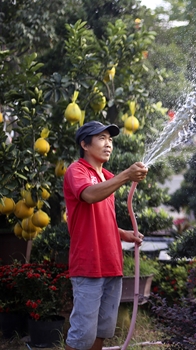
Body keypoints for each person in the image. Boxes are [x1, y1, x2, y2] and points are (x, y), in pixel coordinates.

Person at [63, 121, 148, 350]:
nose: (108, 144)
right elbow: (89, 196)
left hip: (112, 264)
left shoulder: (107, 177)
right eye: (101, 138)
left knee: (101, 332)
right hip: (88, 265)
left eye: (110, 139)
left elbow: (99, 217)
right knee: (82, 336)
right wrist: (126, 175)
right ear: (84, 144)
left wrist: (123, 233)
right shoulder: (77, 170)